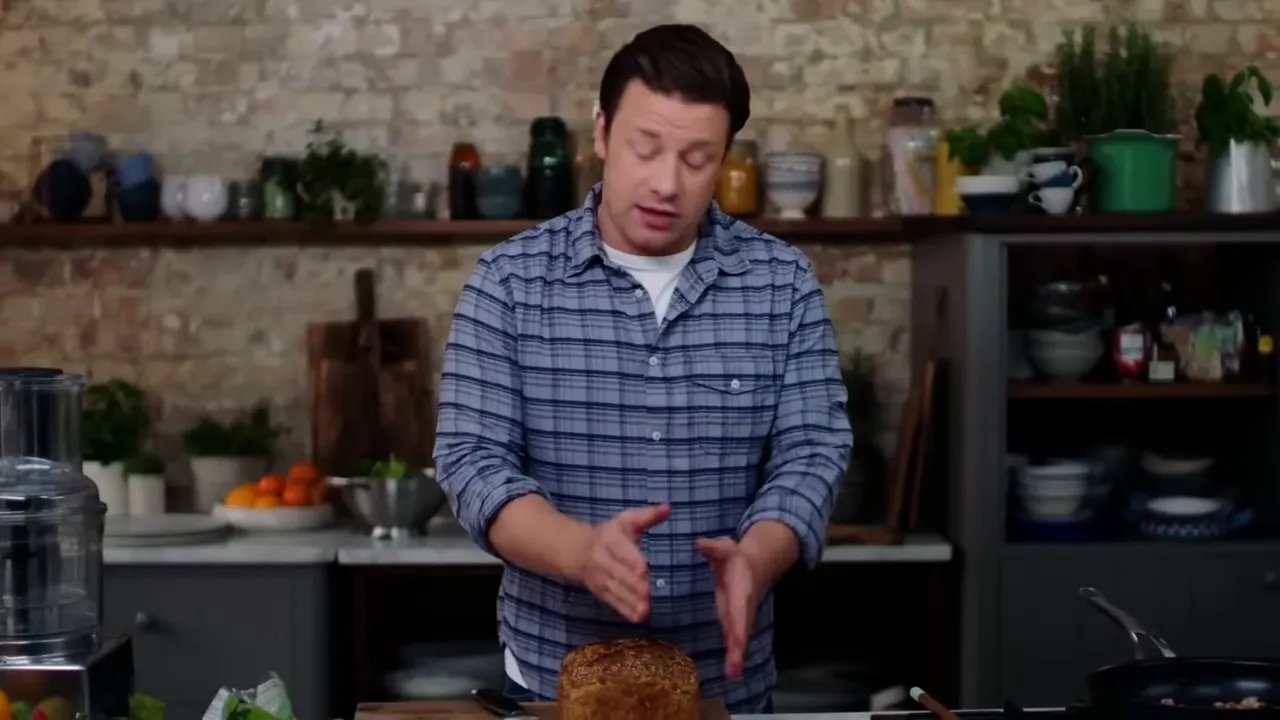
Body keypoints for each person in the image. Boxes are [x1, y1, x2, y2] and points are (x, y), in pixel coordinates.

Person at [434, 23, 852, 715]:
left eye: (697, 158)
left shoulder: (782, 283)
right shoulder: (507, 281)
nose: (666, 182)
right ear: (600, 132)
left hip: (726, 687)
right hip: (550, 684)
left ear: (723, 159)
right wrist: (578, 550)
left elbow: (812, 452)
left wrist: (757, 558)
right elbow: (471, 458)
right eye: (645, 148)